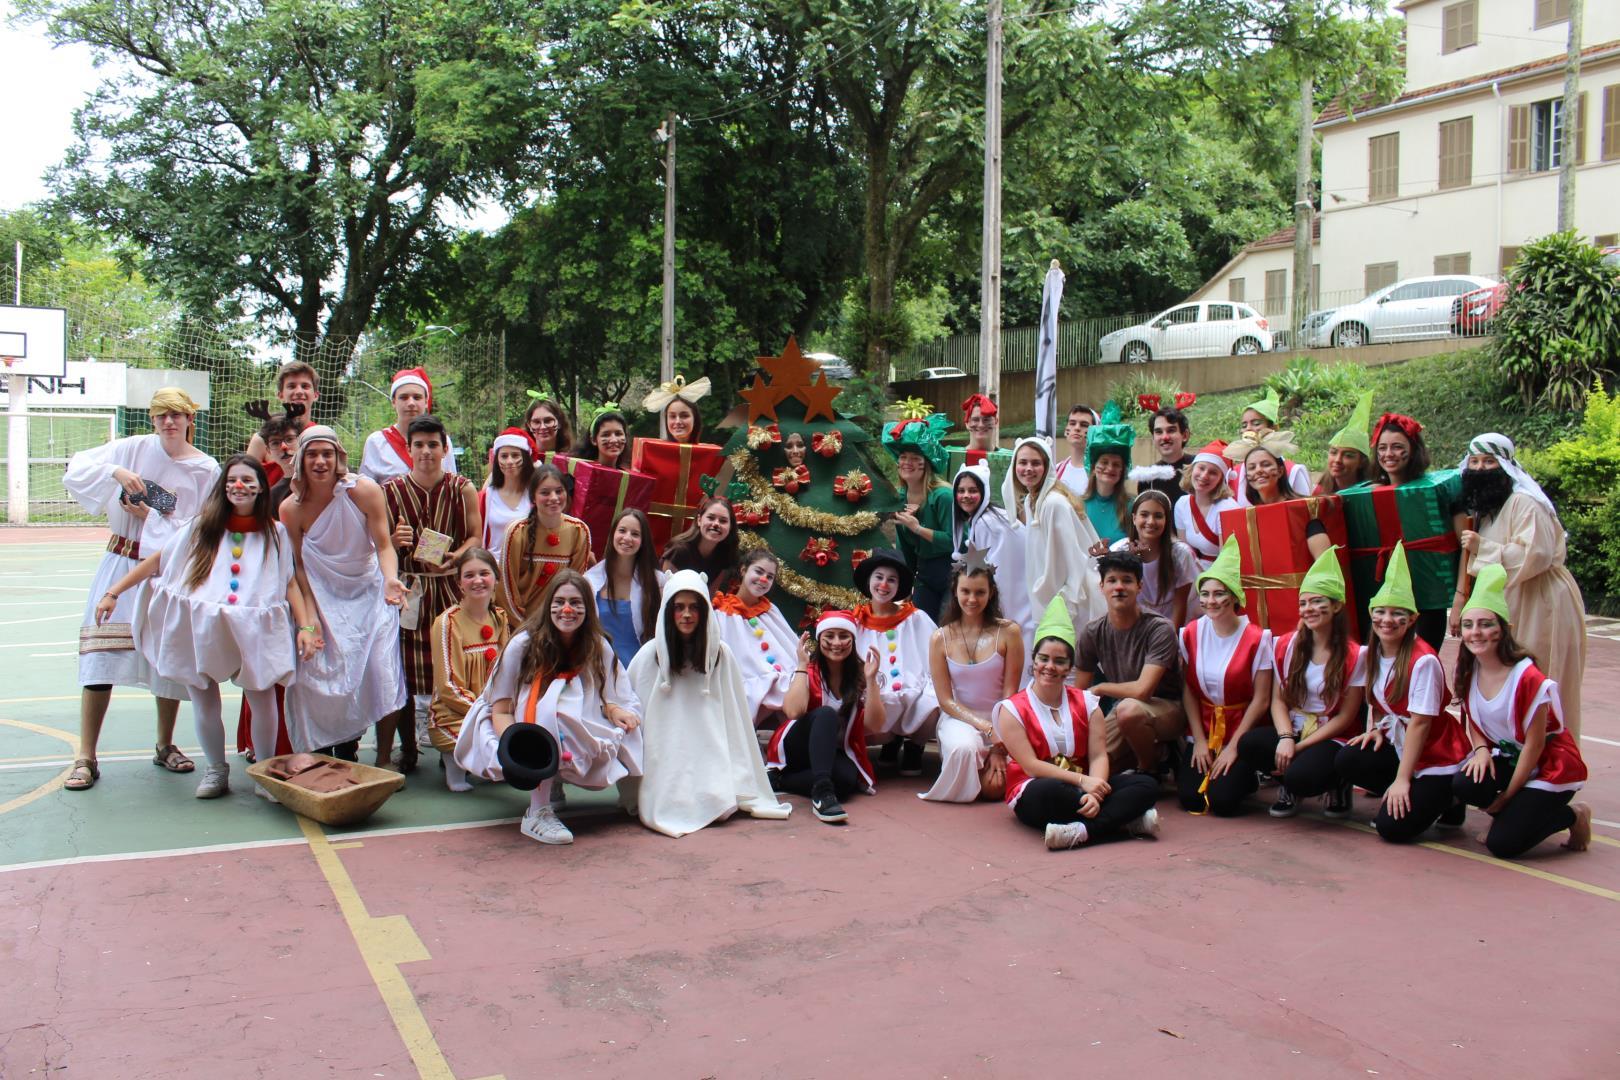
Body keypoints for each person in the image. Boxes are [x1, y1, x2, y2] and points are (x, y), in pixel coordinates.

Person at [96, 456, 314, 800]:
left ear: (260, 486)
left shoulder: (277, 533)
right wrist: (113, 592)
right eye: (232, 480)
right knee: (204, 696)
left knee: (262, 698)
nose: (238, 486)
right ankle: (216, 770)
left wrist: (305, 627)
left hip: (255, 628)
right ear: (223, 486)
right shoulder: (202, 527)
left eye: (247, 479)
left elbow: (289, 584)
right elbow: (159, 561)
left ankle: (264, 773)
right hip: (202, 625)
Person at [63, 387, 220, 791]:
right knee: (100, 656)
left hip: (165, 571)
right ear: (152, 419)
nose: (169, 422)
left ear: (190, 419)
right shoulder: (131, 448)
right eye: (161, 415)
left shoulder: (205, 468)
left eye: (177, 415)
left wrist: (152, 516)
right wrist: (114, 472)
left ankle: (166, 744)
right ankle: (86, 755)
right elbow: (77, 468)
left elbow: (199, 530)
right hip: (119, 560)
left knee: (167, 661)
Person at [456, 569, 642, 845]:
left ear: (588, 609)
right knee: (551, 716)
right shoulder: (523, 645)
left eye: (576, 603)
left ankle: (631, 798)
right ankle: (537, 811)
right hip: (517, 721)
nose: (567, 610)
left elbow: (613, 695)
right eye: (559, 602)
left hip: (580, 717)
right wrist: (519, 744)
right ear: (549, 606)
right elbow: (501, 706)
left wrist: (617, 712)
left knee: (629, 726)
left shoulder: (597, 645)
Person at [627, 570, 792, 837]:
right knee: (668, 805)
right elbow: (634, 709)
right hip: (665, 754)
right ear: (668, 612)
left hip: (710, 748)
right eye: (679, 608)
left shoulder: (721, 655)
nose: (687, 615)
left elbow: (734, 718)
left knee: (718, 803)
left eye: (694, 608)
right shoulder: (649, 655)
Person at [279, 427, 407, 760]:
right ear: (300, 460)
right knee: (315, 675)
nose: (320, 461)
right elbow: (298, 568)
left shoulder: (363, 491)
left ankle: (382, 759)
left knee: (382, 673)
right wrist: (310, 618)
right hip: (321, 596)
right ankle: (326, 749)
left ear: (339, 457)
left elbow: (383, 545)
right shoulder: (290, 509)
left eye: (327, 454)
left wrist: (391, 579)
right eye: (311, 454)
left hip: (370, 591)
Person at [995, 597, 1161, 849]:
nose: (1050, 667)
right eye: (1044, 659)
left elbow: (1097, 756)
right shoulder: (1011, 709)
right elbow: (1030, 766)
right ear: (1034, 661)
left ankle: (1083, 831)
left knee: (1146, 785)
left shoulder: (1088, 702)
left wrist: (1094, 791)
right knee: (1049, 792)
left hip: (1085, 785)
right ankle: (1124, 821)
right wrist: (1084, 785)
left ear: (1069, 667)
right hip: (1039, 787)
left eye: (1059, 661)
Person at [1451, 564, 1591, 857]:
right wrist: (1481, 751)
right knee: (1467, 781)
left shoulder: (1527, 677)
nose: (1476, 632)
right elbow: (1475, 722)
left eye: (1486, 624)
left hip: (1548, 765)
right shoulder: (1469, 669)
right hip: (1511, 759)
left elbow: (1535, 745)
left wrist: (1506, 797)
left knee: (1503, 845)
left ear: (1504, 629)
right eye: (1468, 625)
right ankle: (1513, 814)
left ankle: (1573, 815)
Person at [1453, 433, 1587, 738]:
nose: (1481, 469)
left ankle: (1554, 762)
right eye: (1474, 462)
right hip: (1507, 600)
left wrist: (1482, 547)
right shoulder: (1488, 509)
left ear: (1505, 466)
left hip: (1542, 600)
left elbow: (1534, 556)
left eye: (1489, 461)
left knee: (1541, 675)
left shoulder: (1525, 501)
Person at [1335, 543, 1471, 842]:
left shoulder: (1422, 661)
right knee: (1349, 758)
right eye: (1380, 612)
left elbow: (1420, 723)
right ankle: (1421, 797)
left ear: (1412, 620)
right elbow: (1379, 704)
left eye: (1398, 614)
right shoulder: (1369, 654)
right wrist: (1377, 729)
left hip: (1435, 753)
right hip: (1400, 741)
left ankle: (1449, 797)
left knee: (1392, 830)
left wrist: (1401, 779)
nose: (1387, 619)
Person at [381, 414, 481, 771]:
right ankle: (408, 748)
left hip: (451, 590)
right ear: (408, 449)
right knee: (404, 675)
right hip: (409, 591)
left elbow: (474, 535)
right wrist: (394, 542)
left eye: (433, 445)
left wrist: (458, 555)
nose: (426, 451)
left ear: (444, 448)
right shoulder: (390, 491)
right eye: (419, 445)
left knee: (453, 672)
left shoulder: (462, 487)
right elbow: (380, 545)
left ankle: (451, 744)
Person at [1245, 546, 1366, 818]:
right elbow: (1278, 700)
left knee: (1303, 776)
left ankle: (1335, 783)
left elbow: (1346, 718)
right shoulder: (1286, 646)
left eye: (1317, 602)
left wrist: (1298, 748)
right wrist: (1287, 738)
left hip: (1332, 734)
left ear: (1336, 605)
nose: (1308, 609)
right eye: (1303, 603)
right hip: (1294, 726)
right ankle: (1291, 781)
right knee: (1249, 744)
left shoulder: (1354, 655)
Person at [1177, 538, 1274, 815]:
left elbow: (1262, 699)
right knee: (1190, 798)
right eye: (1205, 593)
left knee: (1223, 802)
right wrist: (1198, 740)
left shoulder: (1257, 639)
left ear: (1233, 597)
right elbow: (1189, 690)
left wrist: (1234, 747)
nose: (1211, 601)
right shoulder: (1191, 633)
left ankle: (1252, 773)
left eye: (1219, 594)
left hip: (1241, 729)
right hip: (1206, 727)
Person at [766, 611, 885, 824]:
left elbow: (875, 725)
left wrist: (871, 680)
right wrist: (802, 665)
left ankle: (782, 780)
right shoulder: (810, 671)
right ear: (819, 639)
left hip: (826, 753)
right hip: (797, 747)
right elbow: (793, 712)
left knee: (846, 781)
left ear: (853, 640)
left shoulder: (859, 676)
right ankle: (822, 792)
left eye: (843, 636)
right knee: (826, 715)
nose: (836, 643)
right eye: (829, 636)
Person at [1074, 552, 1186, 776]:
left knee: (1129, 710)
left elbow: (1143, 691)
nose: (1119, 587)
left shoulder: (1159, 628)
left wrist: (1100, 688)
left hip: (1168, 708)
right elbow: (1078, 693)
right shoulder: (1092, 631)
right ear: (1102, 587)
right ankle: (1151, 753)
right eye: (1112, 581)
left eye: (1127, 580)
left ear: (1139, 586)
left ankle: (1150, 768)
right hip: (1123, 708)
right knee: (1090, 766)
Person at [921, 562, 1022, 803]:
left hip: (1002, 719)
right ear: (955, 591)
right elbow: (945, 700)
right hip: (959, 718)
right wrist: (984, 727)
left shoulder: (1009, 632)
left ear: (991, 593)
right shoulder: (940, 638)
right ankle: (968, 769)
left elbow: (1011, 693)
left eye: (980, 592)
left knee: (993, 789)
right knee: (964, 750)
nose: (972, 599)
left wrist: (999, 745)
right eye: (966, 591)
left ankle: (988, 767)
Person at [1370, 412, 1464, 650]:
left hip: (1428, 601)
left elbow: (1466, 547)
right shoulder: (1367, 494)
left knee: (1422, 662)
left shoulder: (1439, 490)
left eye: (1397, 447)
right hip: (1384, 604)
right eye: (1382, 447)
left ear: (1413, 450)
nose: (1388, 454)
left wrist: (1460, 598)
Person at [1002, 436, 1104, 648]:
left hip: (1064, 606)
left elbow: (1073, 561)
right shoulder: (1033, 501)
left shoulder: (1053, 503)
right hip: (1048, 602)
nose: (1028, 469)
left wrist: (1061, 604)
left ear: (1047, 467)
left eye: (1035, 463)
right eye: (1023, 462)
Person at [428, 548, 512, 791]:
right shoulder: (447, 622)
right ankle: (454, 761)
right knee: (492, 743)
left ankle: (481, 757)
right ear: (460, 584)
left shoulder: (500, 617)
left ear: (496, 578)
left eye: (484, 573)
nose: (477, 581)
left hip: (491, 708)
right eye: (469, 575)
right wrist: (484, 712)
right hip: (456, 712)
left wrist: (503, 708)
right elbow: (447, 686)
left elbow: (507, 672)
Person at [852, 549, 940, 776]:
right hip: (875, 690)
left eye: (891, 580)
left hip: (912, 687)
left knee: (932, 699)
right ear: (869, 580)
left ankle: (915, 745)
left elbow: (937, 654)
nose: (884, 584)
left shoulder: (916, 618)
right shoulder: (855, 621)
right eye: (879, 577)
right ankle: (891, 741)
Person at [711, 548, 797, 726]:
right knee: (759, 690)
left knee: (791, 686)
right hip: (745, 678)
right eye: (758, 571)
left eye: (770, 576)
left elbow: (789, 646)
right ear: (743, 570)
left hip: (779, 676)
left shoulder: (770, 610)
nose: (763, 579)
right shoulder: (721, 612)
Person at [883, 415, 955, 619]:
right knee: (921, 625)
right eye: (904, 457)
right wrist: (905, 588)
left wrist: (917, 528)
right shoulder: (900, 497)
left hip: (952, 573)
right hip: (924, 575)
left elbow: (956, 541)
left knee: (946, 630)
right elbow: (905, 549)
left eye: (916, 458)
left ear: (928, 463)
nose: (908, 462)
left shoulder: (943, 496)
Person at [501, 462, 594, 620]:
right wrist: (524, 628)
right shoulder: (517, 532)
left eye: (559, 491)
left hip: (560, 622)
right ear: (533, 498)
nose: (554, 498)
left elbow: (575, 586)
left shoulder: (579, 531)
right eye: (545, 492)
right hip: (521, 624)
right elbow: (506, 589)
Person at [584, 507, 666, 670]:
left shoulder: (657, 582)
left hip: (639, 671)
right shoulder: (590, 580)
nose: (627, 538)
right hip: (597, 669)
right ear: (613, 534)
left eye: (635, 534)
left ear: (643, 541)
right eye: (622, 531)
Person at [1111, 490, 1197, 626]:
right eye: (1144, 515)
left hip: (1168, 626)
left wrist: (1170, 639)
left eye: (1158, 516)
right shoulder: (1119, 551)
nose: (1151, 522)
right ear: (1134, 518)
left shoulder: (1180, 554)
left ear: (1166, 520)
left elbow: (1181, 603)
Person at [361, 368, 460, 482]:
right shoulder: (377, 442)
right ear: (393, 401)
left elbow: (451, 486)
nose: (411, 403)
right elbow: (364, 492)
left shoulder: (442, 440)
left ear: (426, 401)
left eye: (417, 397)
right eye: (404, 397)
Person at [949, 463, 1018, 601]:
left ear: (984, 492)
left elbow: (996, 569)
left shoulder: (986, 523)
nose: (966, 495)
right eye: (961, 491)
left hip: (1010, 595)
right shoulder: (988, 517)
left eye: (973, 490)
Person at [1173, 440, 1238, 569]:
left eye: (1213, 472)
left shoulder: (1229, 509)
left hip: (1220, 576)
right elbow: (1185, 552)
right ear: (1192, 469)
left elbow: (1227, 561)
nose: (1204, 476)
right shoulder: (1182, 504)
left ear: (1222, 480)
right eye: (1201, 468)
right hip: (1193, 570)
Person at [1236, 387, 1311, 495]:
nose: (1248, 428)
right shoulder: (1235, 475)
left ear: (1274, 428)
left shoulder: (1293, 472)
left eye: (1256, 423)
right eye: (1244, 425)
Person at [245, 360, 319, 462]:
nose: (299, 392)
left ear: (315, 395)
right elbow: (248, 475)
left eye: (305, 386)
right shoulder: (261, 440)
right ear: (280, 395)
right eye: (291, 386)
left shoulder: (321, 436)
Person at [479, 427, 535, 562]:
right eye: (504, 456)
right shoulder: (486, 497)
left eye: (515, 455)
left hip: (524, 569)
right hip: (493, 570)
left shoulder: (535, 496)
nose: (509, 461)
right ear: (497, 460)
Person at [660, 496, 738, 582]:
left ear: (730, 527)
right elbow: (663, 590)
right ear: (699, 520)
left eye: (723, 521)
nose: (716, 524)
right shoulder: (678, 551)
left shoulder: (724, 556)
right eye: (711, 518)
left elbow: (709, 594)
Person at [1315, 392, 1374, 496]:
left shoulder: (1372, 492)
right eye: (1333, 452)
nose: (1337, 460)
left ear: (1362, 462)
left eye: (1348, 455)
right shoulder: (1318, 493)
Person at [1134, 405, 1194, 507]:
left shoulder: (1200, 467)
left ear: (1185, 435)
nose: (1165, 437)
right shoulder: (1148, 477)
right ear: (1153, 438)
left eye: (1171, 430)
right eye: (1158, 432)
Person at [642, 374, 710, 444]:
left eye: (684, 416)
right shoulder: (654, 450)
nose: (677, 421)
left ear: (695, 419)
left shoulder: (710, 453)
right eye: (672, 416)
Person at [1053, 403, 1097, 499]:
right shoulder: (1056, 470)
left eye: (1084, 425)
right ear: (1066, 430)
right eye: (1072, 423)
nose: (1077, 428)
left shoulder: (1100, 472)